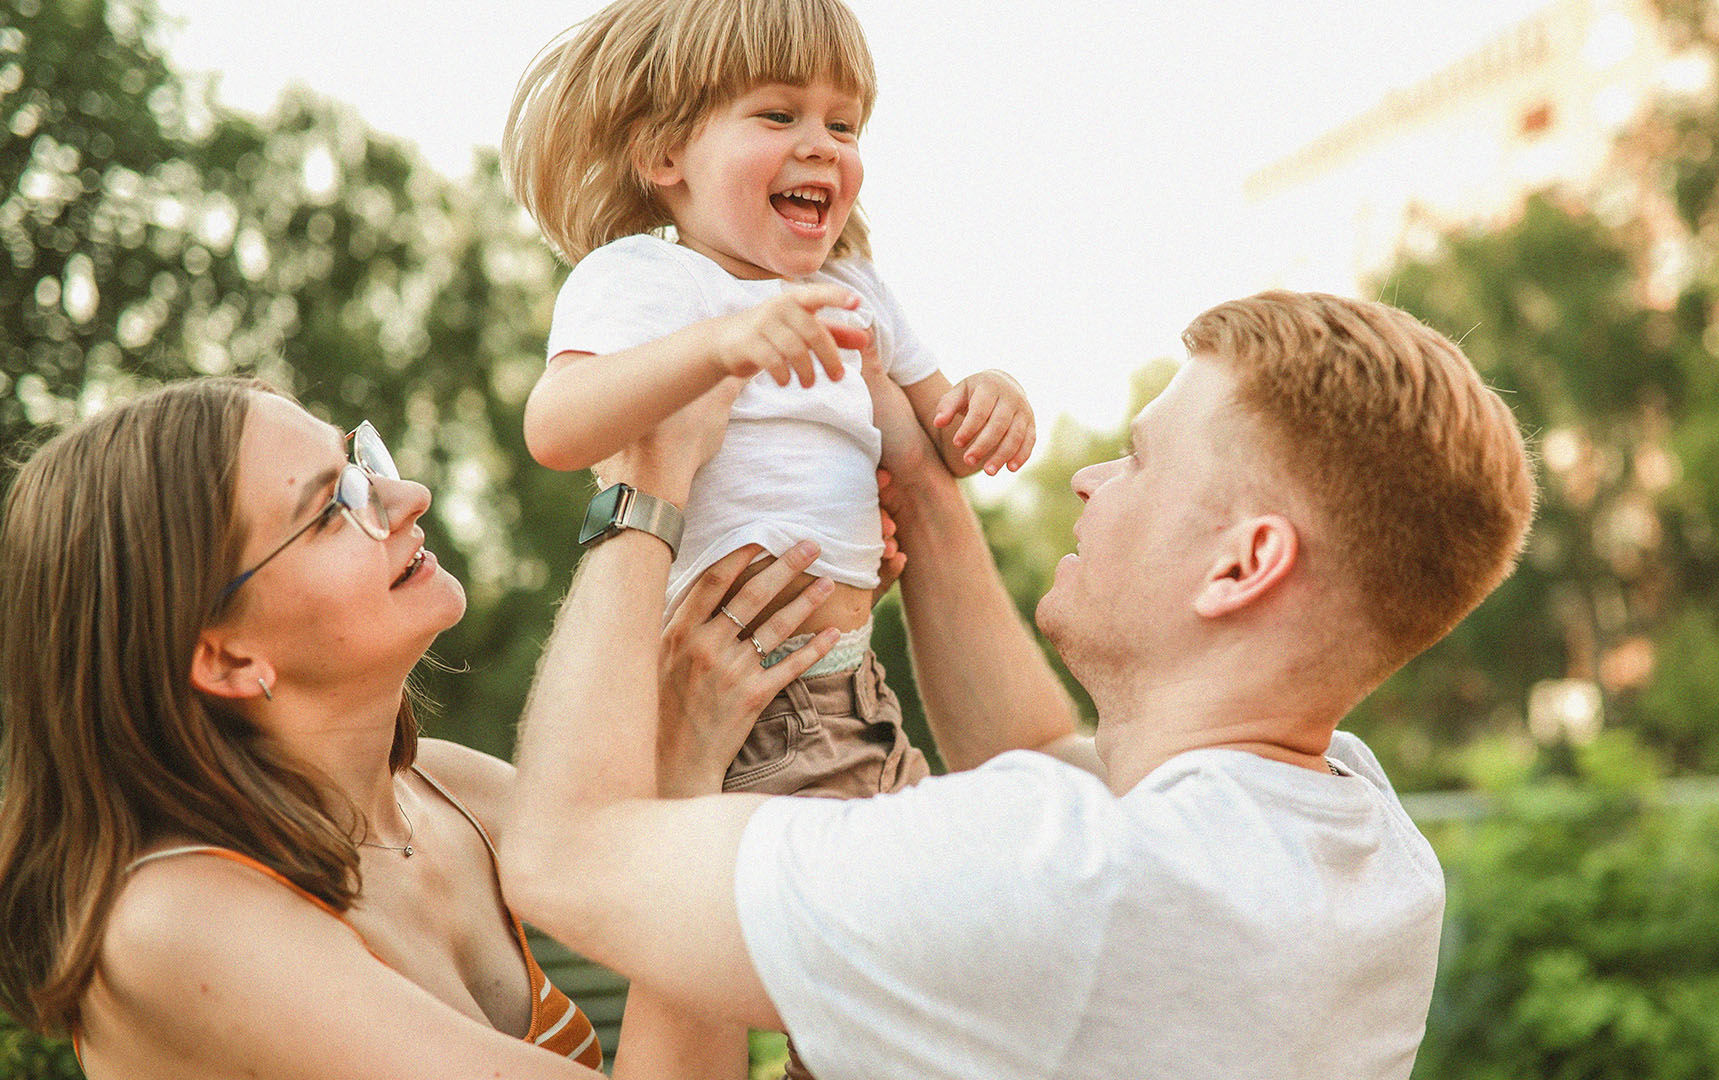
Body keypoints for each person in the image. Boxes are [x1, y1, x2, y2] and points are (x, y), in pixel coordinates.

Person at [502, 289, 1536, 1080]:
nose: (1091, 479)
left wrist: (645, 491)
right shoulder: (1369, 842)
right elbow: (1041, 757)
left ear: (1242, 564)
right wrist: (919, 478)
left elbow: (562, 859)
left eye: (1138, 460)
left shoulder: (1065, 888)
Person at [0, 377, 842, 1079]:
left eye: (358, 462)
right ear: (224, 658)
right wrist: (642, 505)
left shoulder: (450, 789)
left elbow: (801, 944)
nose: (408, 498)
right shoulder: (174, 923)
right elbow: (681, 890)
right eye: (333, 508)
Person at [500, 0, 1035, 801]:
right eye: (779, 115)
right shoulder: (652, 277)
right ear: (665, 154)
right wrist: (719, 347)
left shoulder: (854, 289)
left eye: (844, 125)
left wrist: (996, 396)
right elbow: (555, 426)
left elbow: (944, 444)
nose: (822, 145)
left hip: (858, 688)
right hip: (748, 710)